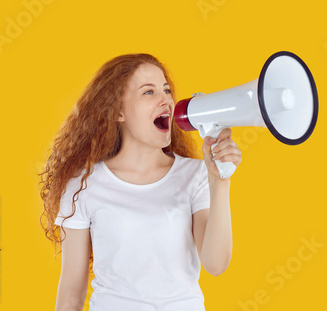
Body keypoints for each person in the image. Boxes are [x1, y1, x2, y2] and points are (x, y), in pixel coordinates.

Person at [39, 53, 242, 311]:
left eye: (166, 90)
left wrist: (219, 181)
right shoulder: (83, 184)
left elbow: (215, 264)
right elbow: (71, 291)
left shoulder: (196, 174)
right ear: (118, 111)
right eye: (149, 92)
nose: (166, 100)